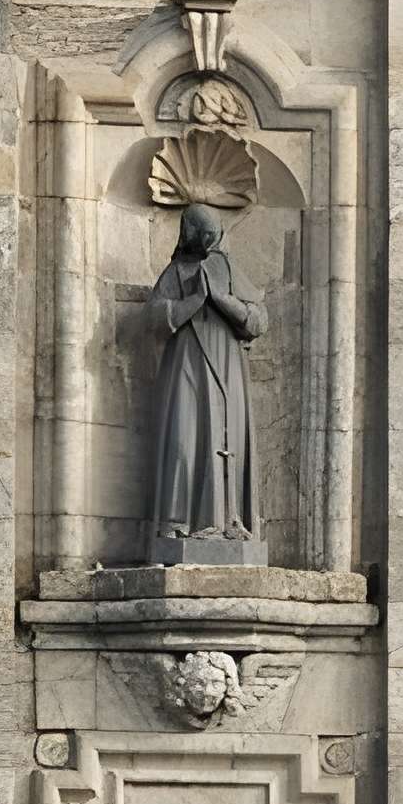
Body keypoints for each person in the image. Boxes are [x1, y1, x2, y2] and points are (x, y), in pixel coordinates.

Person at [148, 204, 267, 562]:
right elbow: (154, 318)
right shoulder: (175, 271)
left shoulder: (228, 269)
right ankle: (178, 522)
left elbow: (259, 320)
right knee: (185, 439)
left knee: (227, 440)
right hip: (186, 364)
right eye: (201, 231)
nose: (206, 238)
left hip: (228, 369)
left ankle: (229, 520)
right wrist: (194, 300)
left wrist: (223, 300)